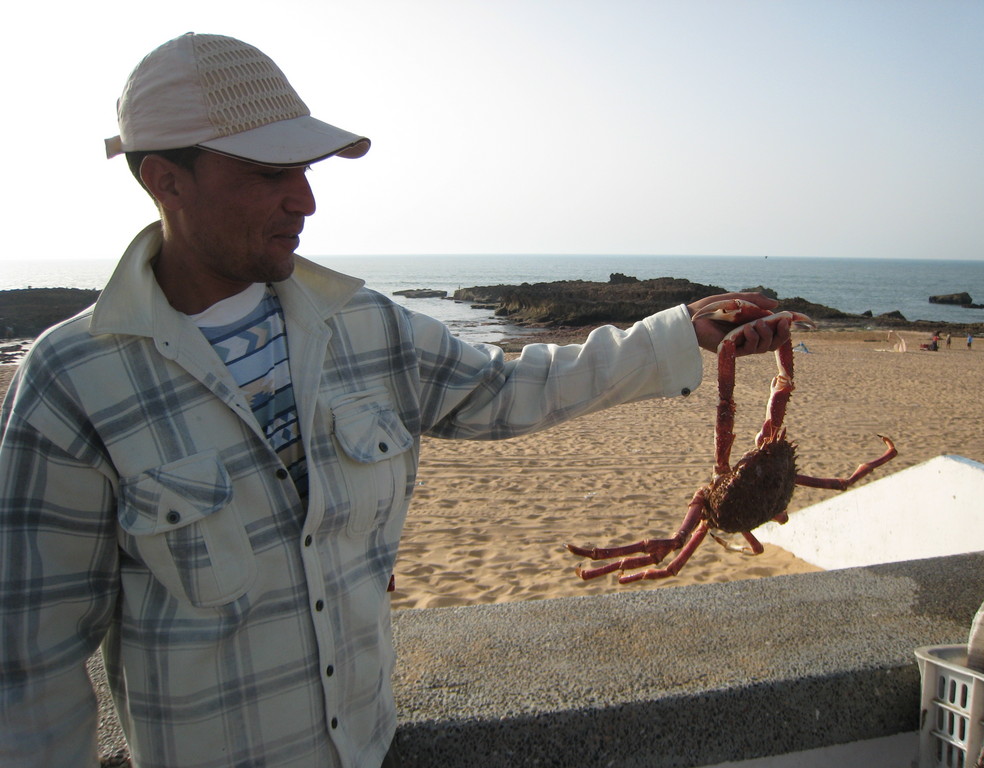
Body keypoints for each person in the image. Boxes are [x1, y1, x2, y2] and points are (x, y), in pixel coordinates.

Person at [0, 33, 793, 768]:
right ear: (163, 179)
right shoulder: (73, 379)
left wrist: (677, 334)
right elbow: (29, 665)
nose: (305, 201)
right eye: (269, 174)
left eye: (305, 171)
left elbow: (512, 388)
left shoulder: (366, 327)